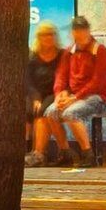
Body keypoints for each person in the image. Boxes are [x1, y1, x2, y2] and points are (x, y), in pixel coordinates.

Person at [45, 18, 106, 166]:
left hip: (98, 96)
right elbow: (61, 76)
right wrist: (60, 93)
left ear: (88, 31)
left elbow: (98, 82)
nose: (79, 33)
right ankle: (65, 154)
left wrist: (75, 98)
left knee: (70, 113)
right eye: (76, 30)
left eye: (83, 30)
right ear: (73, 32)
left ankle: (88, 155)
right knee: (50, 112)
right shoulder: (69, 52)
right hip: (75, 96)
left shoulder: (100, 51)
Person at [22, 26, 64, 163]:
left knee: (41, 111)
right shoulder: (33, 57)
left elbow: (63, 79)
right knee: (27, 112)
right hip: (36, 93)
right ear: (38, 37)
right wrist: (35, 98)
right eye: (44, 35)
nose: (47, 38)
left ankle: (38, 153)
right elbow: (28, 81)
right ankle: (25, 149)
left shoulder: (62, 55)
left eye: (51, 34)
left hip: (55, 93)